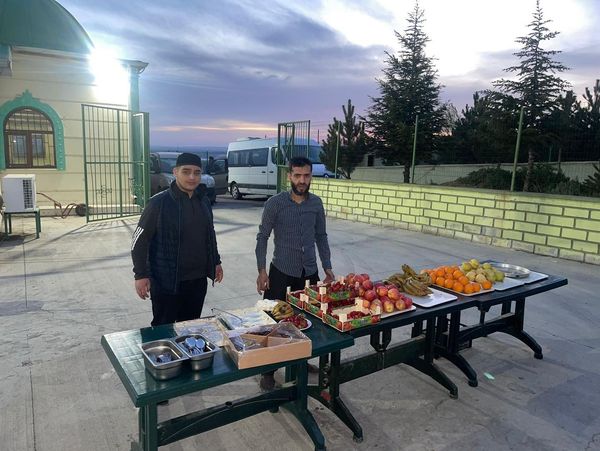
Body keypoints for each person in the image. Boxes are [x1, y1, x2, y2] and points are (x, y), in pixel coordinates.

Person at [255, 156, 335, 390]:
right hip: (281, 271)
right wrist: (261, 270)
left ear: (311, 176)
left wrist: (327, 266)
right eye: (297, 175)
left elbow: (321, 236)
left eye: (306, 175)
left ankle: (301, 359)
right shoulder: (275, 204)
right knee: (273, 321)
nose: (302, 180)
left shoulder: (316, 204)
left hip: (309, 272)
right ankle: (268, 370)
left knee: (310, 320)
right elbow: (262, 237)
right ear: (289, 176)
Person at [132, 152, 223, 326]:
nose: (192, 177)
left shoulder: (203, 201)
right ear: (175, 172)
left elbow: (209, 234)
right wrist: (140, 274)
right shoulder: (158, 203)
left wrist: (216, 262)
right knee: (163, 328)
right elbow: (139, 241)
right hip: (166, 281)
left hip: (197, 281)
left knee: (189, 327)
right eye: (186, 171)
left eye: (197, 172)